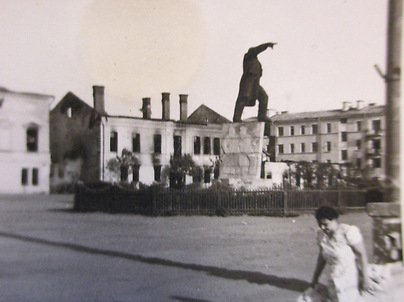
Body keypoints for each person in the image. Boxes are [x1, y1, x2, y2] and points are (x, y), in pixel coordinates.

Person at [301, 206, 373, 302]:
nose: (322, 227)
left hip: (348, 279)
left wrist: (365, 278)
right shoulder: (321, 235)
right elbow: (322, 257)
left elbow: (361, 254)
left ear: (334, 220)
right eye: (320, 224)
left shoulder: (348, 232)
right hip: (330, 278)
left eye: (325, 224)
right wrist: (315, 278)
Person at [232, 42, 276, 123]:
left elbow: (260, 72)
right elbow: (257, 50)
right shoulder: (248, 56)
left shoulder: (256, 61)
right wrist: (266, 45)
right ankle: (236, 118)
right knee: (243, 98)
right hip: (248, 81)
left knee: (264, 97)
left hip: (255, 82)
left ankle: (262, 115)